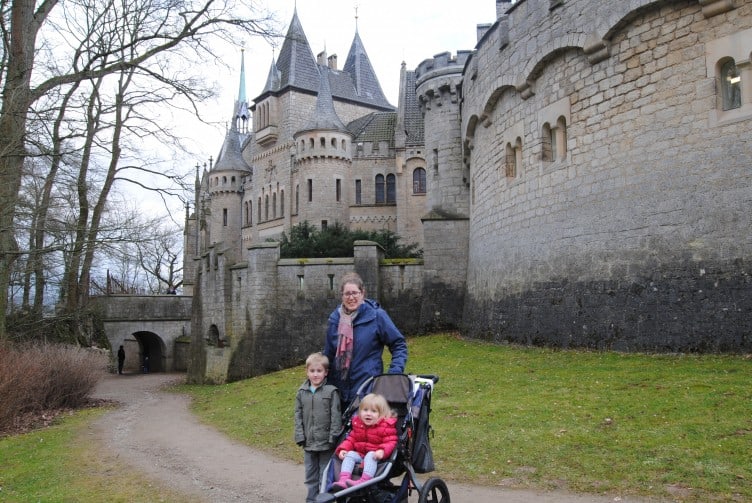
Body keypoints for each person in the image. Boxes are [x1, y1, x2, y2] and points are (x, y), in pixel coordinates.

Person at [323, 272, 408, 404]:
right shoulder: (335, 320)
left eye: (355, 293)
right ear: (342, 296)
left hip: (367, 390)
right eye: (347, 294)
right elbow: (328, 355)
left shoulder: (376, 316)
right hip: (337, 392)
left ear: (362, 293)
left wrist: (393, 373)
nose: (351, 297)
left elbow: (398, 345)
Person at [294, 353, 343, 503]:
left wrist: (333, 437)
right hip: (308, 442)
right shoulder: (301, 392)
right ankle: (311, 499)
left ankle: (323, 499)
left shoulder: (331, 392)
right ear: (307, 371)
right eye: (312, 371)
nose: (315, 374)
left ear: (326, 372)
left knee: (325, 473)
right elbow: (298, 415)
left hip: (326, 443)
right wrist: (299, 435)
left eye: (319, 371)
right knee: (310, 474)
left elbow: (336, 416)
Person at [330, 393, 398, 490]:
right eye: (365, 410)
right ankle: (344, 480)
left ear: (382, 414)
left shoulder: (385, 426)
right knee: (350, 454)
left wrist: (382, 451)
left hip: (376, 457)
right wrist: (344, 449)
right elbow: (351, 439)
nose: (368, 413)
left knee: (371, 455)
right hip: (361, 455)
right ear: (360, 411)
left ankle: (364, 480)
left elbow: (391, 442)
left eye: (373, 411)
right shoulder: (358, 424)